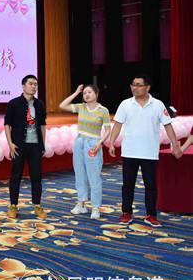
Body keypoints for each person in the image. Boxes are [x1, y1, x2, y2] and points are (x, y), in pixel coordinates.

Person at [109, 74, 183, 227]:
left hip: (149, 152)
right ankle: (126, 212)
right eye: (133, 84)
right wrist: (111, 143)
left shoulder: (158, 105)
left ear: (147, 87)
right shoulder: (125, 104)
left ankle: (151, 215)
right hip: (129, 151)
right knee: (128, 185)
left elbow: (168, 126)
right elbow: (117, 125)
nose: (134, 88)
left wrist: (175, 145)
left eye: (138, 85)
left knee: (151, 186)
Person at [59, 84, 111, 219]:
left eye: (89, 92)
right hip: (79, 142)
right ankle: (81, 204)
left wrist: (100, 143)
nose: (86, 95)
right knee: (80, 174)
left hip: (93, 144)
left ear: (96, 94)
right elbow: (62, 105)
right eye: (84, 93)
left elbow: (108, 130)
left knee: (94, 176)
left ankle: (95, 207)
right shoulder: (81, 107)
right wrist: (76, 92)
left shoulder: (103, 110)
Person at [4, 75, 48, 220]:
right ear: (23, 86)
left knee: (36, 176)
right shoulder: (13, 103)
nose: (34, 86)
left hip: (35, 145)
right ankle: (13, 205)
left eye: (35, 84)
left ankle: (37, 205)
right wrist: (10, 143)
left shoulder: (39, 104)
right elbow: (7, 124)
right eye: (30, 84)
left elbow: (42, 125)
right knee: (15, 176)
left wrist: (43, 144)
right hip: (18, 145)